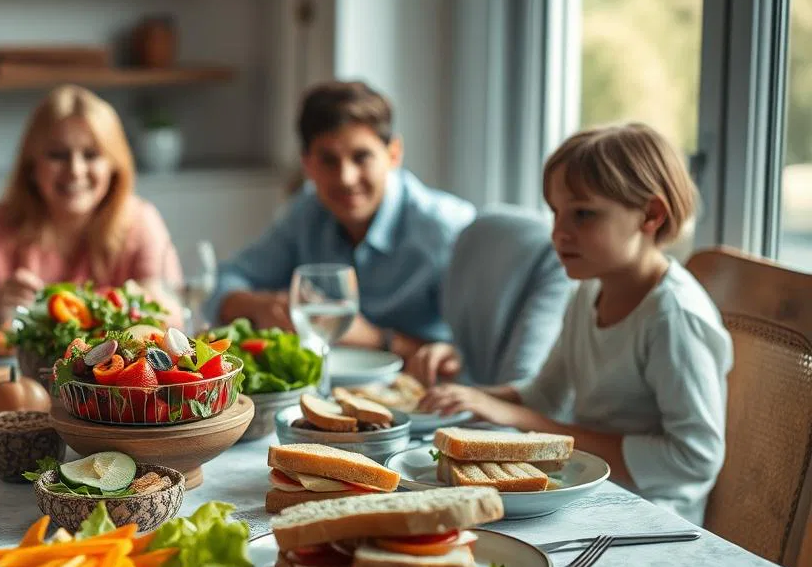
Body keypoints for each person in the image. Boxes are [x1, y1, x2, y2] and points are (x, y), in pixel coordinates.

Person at [420, 123, 733, 524]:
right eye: (555, 212)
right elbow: (544, 395)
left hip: (651, 518)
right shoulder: (588, 291)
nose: (558, 233)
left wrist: (523, 420)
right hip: (587, 493)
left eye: (583, 214)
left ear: (651, 215)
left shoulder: (673, 317)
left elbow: (694, 458)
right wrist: (469, 397)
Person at [205, 81, 476, 355]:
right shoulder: (307, 212)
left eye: (361, 157)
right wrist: (261, 305)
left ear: (394, 153)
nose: (346, 178)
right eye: (329, 160)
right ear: (307, 164)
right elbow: (222, 282)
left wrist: (376, 339)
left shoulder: (448, 230)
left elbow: (476, 357)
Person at [0, 85, 181, 331]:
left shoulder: (141, 221)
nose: (75, 170)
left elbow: (176, 324)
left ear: (113, 166)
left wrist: (153, 303)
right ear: (31, 166)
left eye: (91, 155)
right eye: (57, 155)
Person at [407, 206, 575, 386]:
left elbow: (527, 391)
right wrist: (458, 363)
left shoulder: (566, 272)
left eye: (583, 214)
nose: (559, 232)